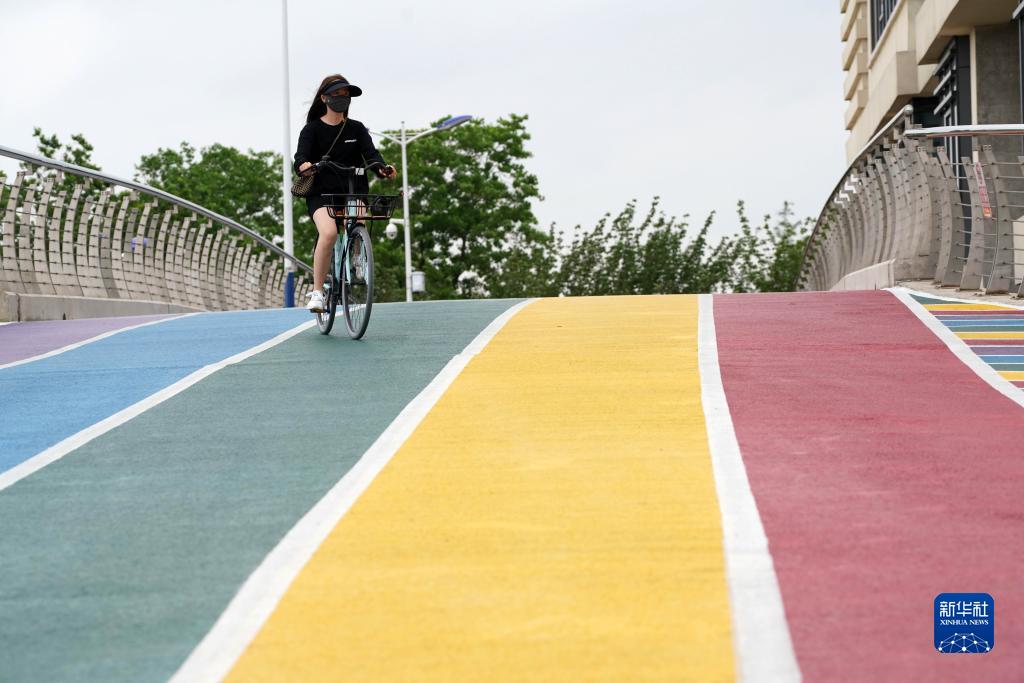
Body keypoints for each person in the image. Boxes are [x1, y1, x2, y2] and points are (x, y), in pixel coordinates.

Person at [294, 74, 396, 312]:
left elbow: (372, 156)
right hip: (322, 195)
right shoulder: (311, 130)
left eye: (345, 95)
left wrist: (383, 169)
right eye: (337, 94)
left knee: (359, 217)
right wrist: (304, 166)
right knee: (329, 233)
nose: (342, 98)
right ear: (324, 98)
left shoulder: (356, 129)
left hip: (353, 190)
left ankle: (358, 255)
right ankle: (317, 292)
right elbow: (300, 158)